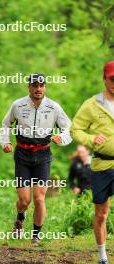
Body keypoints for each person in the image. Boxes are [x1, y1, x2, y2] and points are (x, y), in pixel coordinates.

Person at [0, 73, 72, 243]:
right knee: (24, 201)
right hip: (23, 155)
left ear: (45, 87)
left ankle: (35, 236)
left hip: (43, 155)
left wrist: (61, 138)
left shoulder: (54, 107)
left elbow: (68, 127)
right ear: (29, 87)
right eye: (35, 86)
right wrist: (5, 142)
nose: (38, 89)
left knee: (39, 198)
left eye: (41, 85)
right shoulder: (18, 105)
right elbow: (6, 124)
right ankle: (20, 218)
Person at [71, 61, 114, 264]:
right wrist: (90, 139)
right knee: (101, 214)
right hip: (101, 166)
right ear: (104, 79)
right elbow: (75, 129)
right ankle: (102, 255)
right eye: (112, 79)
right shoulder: (92, 104)